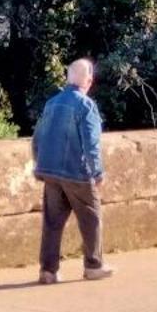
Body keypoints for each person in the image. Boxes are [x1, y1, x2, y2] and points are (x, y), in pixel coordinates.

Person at [33, 58, 111, 284]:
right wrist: (97, 173)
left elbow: (37, 139)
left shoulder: (51, 103)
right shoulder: (85, 105)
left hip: (50, 170)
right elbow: (91, 143)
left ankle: (48, 271)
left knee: (52, 222)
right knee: (91, 217)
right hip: (76, 172)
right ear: (88, 80)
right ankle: (93, 265)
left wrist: (40, 165)